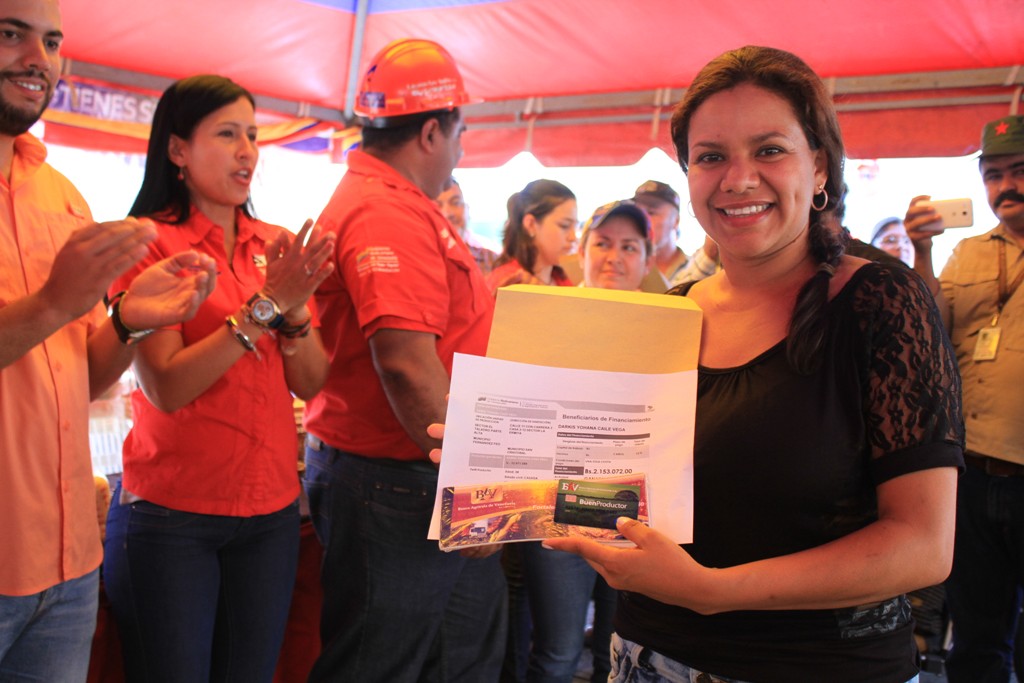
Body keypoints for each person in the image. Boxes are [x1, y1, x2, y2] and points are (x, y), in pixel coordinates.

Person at [545, 45, 963, 683]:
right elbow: (615, 494)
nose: (738, 178)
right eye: (711, 156)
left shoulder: (880, 300)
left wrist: (712, 589)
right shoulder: (671, 312)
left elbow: (923, 546)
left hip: (818, 668)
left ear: (818, 165)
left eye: (769, 149)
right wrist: (501, 475)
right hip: (646, 658)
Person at [0, 2, 215, 680]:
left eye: (52, 40)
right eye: (11, 34)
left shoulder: (60, 193)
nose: (38, 57)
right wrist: (53, 303)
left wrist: (129, 321)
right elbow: (48, 314)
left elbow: (81, 378)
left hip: (68, 562)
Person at [100, 74, 333, 683]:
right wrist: (263, 310)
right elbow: (167, 387)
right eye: (227, 134)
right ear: (177, 150)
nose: (247, 151)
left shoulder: (273, 244)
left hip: (272, 511)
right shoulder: (150, 246)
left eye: (252, 136)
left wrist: (297, 312)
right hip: (174, 513)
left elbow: (313, 382)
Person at [301, 38, 506, 682]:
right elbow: (406, 364)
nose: (461, 151)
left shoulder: (395, 203)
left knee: (454, 657)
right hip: (401, 481)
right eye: (460, 133)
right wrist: (477, 492)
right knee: (379, 665)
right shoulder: (386, 211)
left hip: (410, 477)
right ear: (429, 132)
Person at [904, 114, 1024, 683]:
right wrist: (923, 251)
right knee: (976, 638)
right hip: (970, 473)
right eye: (994, 174)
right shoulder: (969, 253)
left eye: (1019, 171)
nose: (1006, 187)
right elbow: (928, 326)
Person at [517, 199, 654, 683]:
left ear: (647, 259)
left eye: (629, 246)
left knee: (618, 653)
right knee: (556, 651)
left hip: (635, 514)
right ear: (582, 250)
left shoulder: (667, 326)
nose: (614, 256)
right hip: (558, 508)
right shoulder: (545, 315)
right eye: (602, 243)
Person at [487, 179, 578, 292]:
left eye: (575, 226)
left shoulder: (561, 279)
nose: (573, 237)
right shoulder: (509, 282)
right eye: (564, 226)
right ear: (531, 224)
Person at [632, 180, 718, 287]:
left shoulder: (707, 267)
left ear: (676, 221)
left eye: (651, 212)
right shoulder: (629, 269)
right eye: (638, 213)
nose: (642, 220)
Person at [437, 175, 498, 275]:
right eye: (437, 205)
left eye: (456, 203)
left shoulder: (491, 259)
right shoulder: (423, 259)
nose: (448, 213)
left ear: (467, 209)